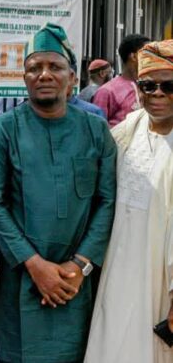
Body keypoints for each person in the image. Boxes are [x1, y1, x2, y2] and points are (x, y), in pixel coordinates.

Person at [0, 22, 116, 363]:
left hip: (76, 284)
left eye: (54, 66)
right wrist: (35, 265)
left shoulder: (96, 130)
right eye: (34, 68)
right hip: (20, 280)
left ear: (72, 78)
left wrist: (80, 265)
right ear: (23, 78)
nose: (44, 74)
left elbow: (107, 201)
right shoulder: (2, 130)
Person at [85, 40, 173, 362]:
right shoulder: (126, 131)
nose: (158, 94)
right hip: (118, 267)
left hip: (162, 277)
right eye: (149, 85)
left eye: (169, 86)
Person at [93, 34, 150, 127]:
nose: (151, 58)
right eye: (147, 53)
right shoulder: (107, 91)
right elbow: (97, 128)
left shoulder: (152, 87)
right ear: (134, 56)